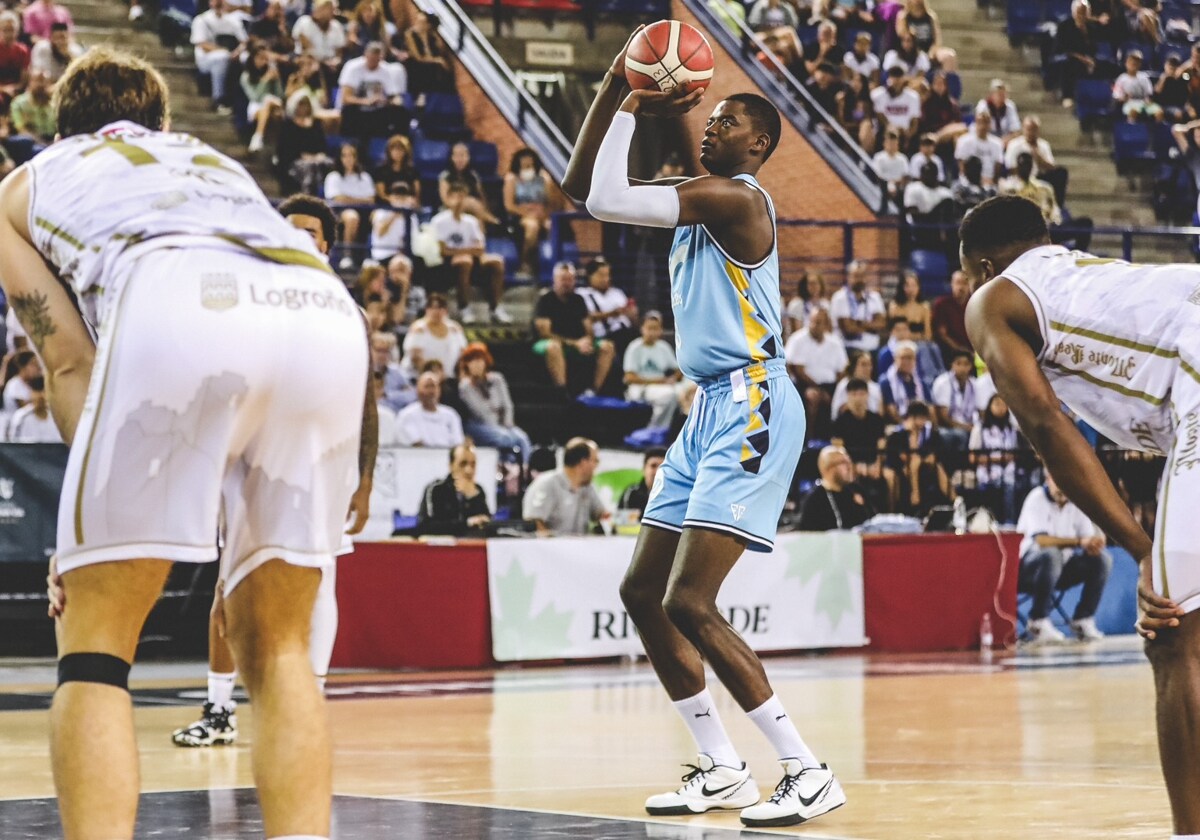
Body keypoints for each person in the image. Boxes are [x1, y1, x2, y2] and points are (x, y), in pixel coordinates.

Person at [18, 50, 374, 840]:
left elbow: (69, 359)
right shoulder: (214, 161)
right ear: (163, 123)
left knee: (96, 642)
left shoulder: (26, 182)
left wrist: (83, 534)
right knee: (279, 648)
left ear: (57, 125)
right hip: (318, 304)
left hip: (177, 294)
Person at [562, 37, 844, 826]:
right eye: (708, 118)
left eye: (726, 120)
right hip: (708, 404)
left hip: (753, 399)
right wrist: (615, 85)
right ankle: (721, 767)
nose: (711, 126)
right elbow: (581, 185)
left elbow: (605, 203)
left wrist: (631, 100)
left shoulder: (739, 200)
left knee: (690, 600)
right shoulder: (703, 191)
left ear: (757, 143)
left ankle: (805, 767)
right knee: (641, 593)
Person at [959, 193, 1200, 835]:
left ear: (982, 267)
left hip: (1195, 373)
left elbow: (1051, 431)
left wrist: (1143, 550)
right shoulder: (1089, 278)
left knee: (1174, 635)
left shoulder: (993, 300)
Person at [172, 191, 358, 751]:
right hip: (253, 457)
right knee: (231, 582)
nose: (298, 238)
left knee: (319, 573)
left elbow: (363, 405)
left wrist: (364, 477)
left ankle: (313, 704)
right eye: (290, 229)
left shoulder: (343, 309)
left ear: (328, 247)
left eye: (310, 233)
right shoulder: (248, 299)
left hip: (322, 461)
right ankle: (219, 707)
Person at [1016, 472, 1113, 643]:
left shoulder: (1077, 503)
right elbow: (1042, 540)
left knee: (1103, 560)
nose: (1061, 487)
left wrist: (1094, 544)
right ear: (1048, 480)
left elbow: (1088, 539)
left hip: (1061, 571)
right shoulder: (1036, 498)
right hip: (1028, 571)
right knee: (1052, 554)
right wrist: (1079, 542)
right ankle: (1038, 620)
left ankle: (1083, 619)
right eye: (1057, 481)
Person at [430, 182, 510, 324]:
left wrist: (464, 252)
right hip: (447, 265)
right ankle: (464, 308)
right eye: (455, 196)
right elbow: (443, 251)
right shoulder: (439, 221)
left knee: (496, 261)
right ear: (448, 199)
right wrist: (467, 251)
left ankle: (495, 308)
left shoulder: (471, 221)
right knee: (464, 260)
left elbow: (480, 248)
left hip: (472, 261)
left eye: (462, 196)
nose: (459, 200)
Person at [532, 262, 616, 395]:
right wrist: (575, 343)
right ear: (555, 280)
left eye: (570, 279)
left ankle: (595, 390)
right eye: (563, 279)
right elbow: (544, 333)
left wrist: (588, 340)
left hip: (577, 342)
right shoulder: (545, 299)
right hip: (551, 342)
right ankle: (562, 392)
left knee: (607, 346)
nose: (567, 283)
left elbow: (588, 327)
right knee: (553, 347)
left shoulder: (579, 300)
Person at [999, 152, 1093, 251]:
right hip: (1025, 231)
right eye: (1022, 165)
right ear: (1017, 167)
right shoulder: (1009, 189)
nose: (1025, 168)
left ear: (1032, 166)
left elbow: (1055, 210)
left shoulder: (1044, 187)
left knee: (1086, 223)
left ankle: (1077, 256)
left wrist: (1055, 221)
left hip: (1049, 229)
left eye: (1028, 164)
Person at [458, 341, 531, 463]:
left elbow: (507, 405)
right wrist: (499, 425)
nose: (477, 364)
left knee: (522, 438)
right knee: (505, 438)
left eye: (480, 360)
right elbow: (480, 411)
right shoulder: (465, 386)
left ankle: (524, 470)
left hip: (503, 423)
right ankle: (510, 469)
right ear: (467, 364)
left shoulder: (497, 379)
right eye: (473, 361)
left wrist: (507, 423)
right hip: (480, 425)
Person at [522, 436, 608, 535]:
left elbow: (601, 514)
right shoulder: (547, 484)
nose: (596, 466)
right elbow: (534, 522)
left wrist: (614, 519)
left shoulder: (587, 487)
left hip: (580, 548)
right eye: (595, 461)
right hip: (550, 549)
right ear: (583, 462)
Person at [785, 307, 847, 435]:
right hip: (804, 385)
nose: (814, 325)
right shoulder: (797, 339)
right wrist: (819, 389)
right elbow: (797, 370)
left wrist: (836, 392)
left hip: (830, 386)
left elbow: (842, 371)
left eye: (819, 322)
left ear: (826, 324)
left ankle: (833, 438)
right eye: (812, 321)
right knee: (812, 397)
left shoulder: (835, 343)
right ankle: (808, 439)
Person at [884, 401, 952, 514]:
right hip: (902, 469)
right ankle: (914, 495)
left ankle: (954, 500)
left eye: (923, 418)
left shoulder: (930, 434)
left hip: (926, 468)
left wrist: (925, 458)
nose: (921, 422)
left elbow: (935, 454)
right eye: (918, 418)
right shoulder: (898, 434)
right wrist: (912, 435)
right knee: (914, 461)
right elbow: (894, 457)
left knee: (938, 468)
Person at [336, 41, 407, 142]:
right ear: (365, 55)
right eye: (371, 59)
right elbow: (346, 98)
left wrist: (393, 101)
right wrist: (367, 101)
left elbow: (393, 94)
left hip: (376, 110)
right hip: (357, 109)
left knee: (401, 113)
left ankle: (397, 144)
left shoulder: (385, 69)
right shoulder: (352, 67)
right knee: (353, 116)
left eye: (376, 60)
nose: (373, 63)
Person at [830, 378, 887, 503]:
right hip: (851, 464)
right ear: (848, 397)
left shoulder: (876, 420)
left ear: (867, 395)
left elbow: (881, 446)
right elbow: (838, 450)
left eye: (861, 394)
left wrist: (877, 465)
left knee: (890, 475)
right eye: (854, 394)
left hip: (873, 464)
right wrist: (854, 467)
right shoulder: (840, 422)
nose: (858, 398)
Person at [416, 442, 492, 536]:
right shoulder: (436, 490)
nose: (469, 470)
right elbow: (426, 526)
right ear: (451, 465)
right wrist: (466, 523)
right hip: (442, 548)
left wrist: (472, 497)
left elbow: (487, 524)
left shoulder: (478, 491)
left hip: (470, 546)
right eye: (463, 464)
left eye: (473, 464)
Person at [623, 310, 681, 430]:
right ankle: (654, 430)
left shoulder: (663, 347)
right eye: (649, 328)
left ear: (660, 330)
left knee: (684, 393)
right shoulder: (634, 347)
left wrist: (673, 378)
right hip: (640, 387)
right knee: (669, 395)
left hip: (660, 386)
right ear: (642, 328)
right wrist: (659, 381)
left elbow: (678, 369)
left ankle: (667, 430)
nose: (652, 332)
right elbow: (629, 378)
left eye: (655, 328)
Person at [503, 148, 555, 280]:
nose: (527, 168)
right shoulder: (511, 179)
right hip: (520, 215)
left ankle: (550, 266)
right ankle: (525, 263)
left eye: (530, 165)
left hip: (541, 215)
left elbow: (550, 203)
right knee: (532, 227)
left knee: (551, 226)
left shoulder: (543, 178)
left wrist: (543, 214)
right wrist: (527, 212)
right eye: (524, 165)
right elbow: (509, 205)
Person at [969, 393, 1021, 522]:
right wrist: (996, 460)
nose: (1001, 408)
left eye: (1004, 404)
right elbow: (972, 457)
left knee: (1013, 489)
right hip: (986, 476)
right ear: (989, 407)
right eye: (997, 404)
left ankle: (1009, 523)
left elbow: (1014, 454)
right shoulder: (980, 428)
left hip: (1008, 475)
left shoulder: (1011, 429)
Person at [323, 143, 376, 269]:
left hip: (365, 212)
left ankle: (373, 256)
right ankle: (347, 255)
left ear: (356, 158)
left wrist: (349, 198)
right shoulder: (333, 177)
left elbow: (371, 200)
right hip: (338, 212)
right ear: (340, 158)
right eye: (344, 156)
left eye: (351, 155)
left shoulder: (365, 177)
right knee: (352, 217)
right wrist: (360, 200)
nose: (348, 159)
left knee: (378, 216)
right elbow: (338, 199)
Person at [797, 445, 874, 530]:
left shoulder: (856, 490)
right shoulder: (814, 500)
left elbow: (873, 522)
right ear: (828, 468)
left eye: (849, 461)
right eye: (843, 462)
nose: (849, 467)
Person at [190, 0, 247, 115]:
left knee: (246, 58)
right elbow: (202, 44)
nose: (218, 3)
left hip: (232, 56)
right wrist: (225, 52)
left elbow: (245, 41)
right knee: (222, 58)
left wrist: (237, 52)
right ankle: (218, 99)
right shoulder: (202, 20)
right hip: (206, 59)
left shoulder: (233, 20)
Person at [401, 292, 467, 380]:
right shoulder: (419, 328)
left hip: (448, 378)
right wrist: (433, 375)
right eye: (432, 308)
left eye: (440, 308)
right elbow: (416, 358)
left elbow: (463, 355)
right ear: (427, 310)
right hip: (418, 377)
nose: (436, 311)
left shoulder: (455, 329)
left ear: (446, 310)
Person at [1004, 116, 1066, 207]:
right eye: (1028, 129)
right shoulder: (1014, 145)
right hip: (1020, 178)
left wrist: (1038, 157)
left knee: (1061, 172)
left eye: (1034, 130)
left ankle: (1058, 206)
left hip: (1038, 177)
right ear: (1023, 129)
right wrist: (1024, 168)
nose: (1031, 133)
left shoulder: (1044, 145)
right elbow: (1009, 167)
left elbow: (1052, 168)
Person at [830, 260, 887, 354]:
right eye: (856, 276)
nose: (860, 280)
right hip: (848, 350)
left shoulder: (874, 297)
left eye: (862, 276)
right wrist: (871, 326)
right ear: (848, 277)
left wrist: (859, 323)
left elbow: (881, 324)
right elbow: (849, 329)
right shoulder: (840, 298)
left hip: (872, 349)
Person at [396, 371, 464, 447]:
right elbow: (413, 444)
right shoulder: (406, 415)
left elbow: (458, 443)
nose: (431, 391)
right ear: (418, 390)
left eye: (434, 386)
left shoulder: (451, 415)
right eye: (427, 386)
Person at [241, 44, 284, 154]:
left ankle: (260, 138)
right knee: (268, 101)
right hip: (256, 105)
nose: (263, 61)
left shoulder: (270, 72)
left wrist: (277, 79)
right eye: (260, 58)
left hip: (274, 104)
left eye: (266, 59)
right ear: (253, 58)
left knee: (273, 105)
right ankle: (262, 140)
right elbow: (255, 96)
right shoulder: (246, 76)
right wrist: (265, 80)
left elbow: (280, 95)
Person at [401, 10, 455, 95]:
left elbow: (438, 52)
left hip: (429, 64)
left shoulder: (432, 37)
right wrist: (437, 60)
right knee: (428, 67)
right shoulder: (410, 34)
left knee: (443, 68)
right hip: (416, 64)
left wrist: (425, 37)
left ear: (428, 25)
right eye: (417, 21)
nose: (417, 24)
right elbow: (418, 57)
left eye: (421, 22)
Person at [930, 349, 976, 448]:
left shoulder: (974, 384)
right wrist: (966, 427)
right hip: (947, 427)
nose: (962, 368)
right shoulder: (943, 382)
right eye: (958, 363)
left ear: (971, 366)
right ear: (952, 364)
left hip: (969, 425)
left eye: (966, 364)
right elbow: (944, 417)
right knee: (960, 436)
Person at [871, 66, 923, 148]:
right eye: (894, 77)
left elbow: (914, 121)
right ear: (889, 78)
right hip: (885, 132)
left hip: (905, 134)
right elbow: (880, 117)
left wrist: (908, 135)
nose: (896, 81)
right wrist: (893, 129)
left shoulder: (913, 96)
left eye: (899, 77)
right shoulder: (878, 94)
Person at [880, 339, 926, 424]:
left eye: (910, 358)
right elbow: (892, 412)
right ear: (895, 359)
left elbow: (929, 408)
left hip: (920, 424)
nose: (907, 362)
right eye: (903, 358)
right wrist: (907, 426)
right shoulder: (886, 382)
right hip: (898, 426)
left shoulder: (920, 382)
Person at [931, 269, 972, 364]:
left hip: (973, 351)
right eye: (958, 283)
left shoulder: (975, 303)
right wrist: (961, 351)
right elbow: (943, 334)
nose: (961, 287)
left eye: (965, 283)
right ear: (951, 284)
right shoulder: (941, 304)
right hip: (949, 352)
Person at [955, 109, 1004, 186]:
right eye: (980, 122)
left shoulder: (997, 143)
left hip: (990, 182)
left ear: (990, 124)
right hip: (969, 182)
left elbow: (997, 168)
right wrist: (979, 180)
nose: (983, 126)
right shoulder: (964, 141)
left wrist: (991, 181)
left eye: (986, 122)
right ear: (975, 123)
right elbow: (962, 168)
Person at [7, 374, 61, 443]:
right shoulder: (21, 417)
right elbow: (13, 446)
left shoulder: (56, 418)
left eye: (44, 391)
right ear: (31, 393)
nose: (41, 396)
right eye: (36, 391)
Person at [10, 71, 56, 146]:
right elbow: (22, 129)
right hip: (32, 142)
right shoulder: (19, 103)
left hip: (53, 140)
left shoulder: (54, 102)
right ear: (30, 82)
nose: (41, 85)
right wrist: (42, 143)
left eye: (44, 81)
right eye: (38, 81)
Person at [831, 349, 882, 417]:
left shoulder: (876, 387)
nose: (868, 368)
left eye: (869, 365)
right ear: (854, 366)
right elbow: (837, 412)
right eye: (863, 365)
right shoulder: (844, 385)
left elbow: (880, 413)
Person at [619, 447, 666, 516]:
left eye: (662, 466)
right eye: (653, 466)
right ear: (643, 469)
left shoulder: (676, 496)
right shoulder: (631, 494)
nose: (658, 471)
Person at [871, 128, 910, 204]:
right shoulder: (878, 157)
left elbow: (905, 176)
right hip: (883, 187)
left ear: (897, 143)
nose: (891, 144)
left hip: (899, 188)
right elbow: (877, 175)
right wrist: (888, 184)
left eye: (894, 142)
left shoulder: (902, 158)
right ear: (884, 143)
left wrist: (896, 184)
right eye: (889, 142)